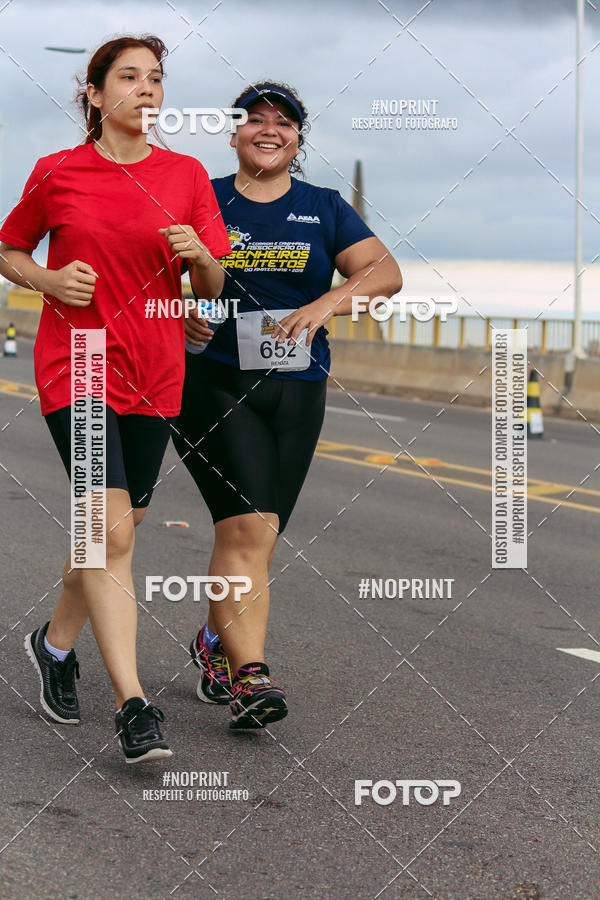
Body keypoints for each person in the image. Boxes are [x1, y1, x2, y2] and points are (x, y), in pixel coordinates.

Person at [0, 35, 231, 762]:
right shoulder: (58, 172)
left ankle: (54, 643)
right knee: (113, 533)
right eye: (128, 77)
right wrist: (46, 280)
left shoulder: (188, 174)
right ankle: (134, 705)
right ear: (96, 94)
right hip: (81, 363)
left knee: (117, 528)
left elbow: (216, 284)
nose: (146, 89)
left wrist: (200, 258)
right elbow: (8, 248)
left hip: (156, 372)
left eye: (156, 78)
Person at [172, 81, 402, 730]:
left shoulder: (323, 207)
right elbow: (148, 270)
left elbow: (383, 272)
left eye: (285, 122)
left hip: (298, 388)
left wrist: (327, 302)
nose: (269, 129)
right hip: (212, 384)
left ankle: (215, 644)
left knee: (261, 539)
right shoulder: (202, 196)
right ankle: (251, 678)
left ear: (298, 138)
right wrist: (185, 311)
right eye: (255, 120)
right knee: (243, 530)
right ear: (235, 132)